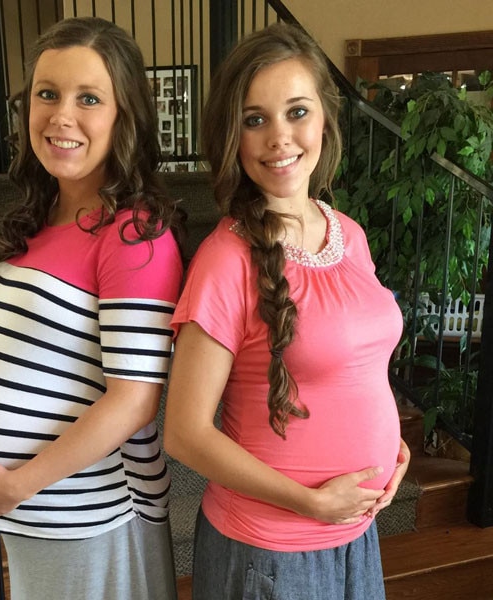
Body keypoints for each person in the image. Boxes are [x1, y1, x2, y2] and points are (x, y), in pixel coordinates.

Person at [0, 16, 182, 600]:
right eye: (47, 94)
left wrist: (19, 483)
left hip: (85, 516)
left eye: (88, 98)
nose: (61, 115)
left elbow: (135, 400)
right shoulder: (38, 217)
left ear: (125, 116)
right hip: (35, 511)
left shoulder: (134, 235)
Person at [163, 21, 410, 600]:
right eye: (255, 120)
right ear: (234, 136)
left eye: (297, 112)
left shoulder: (349, 233)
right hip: (271, 552)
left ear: (325, 118)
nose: (279, 137)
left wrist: (390, 446)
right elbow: (184, 434)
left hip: (356, 533)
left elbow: (358, 365)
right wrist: (309, 502)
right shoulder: (225, 260)